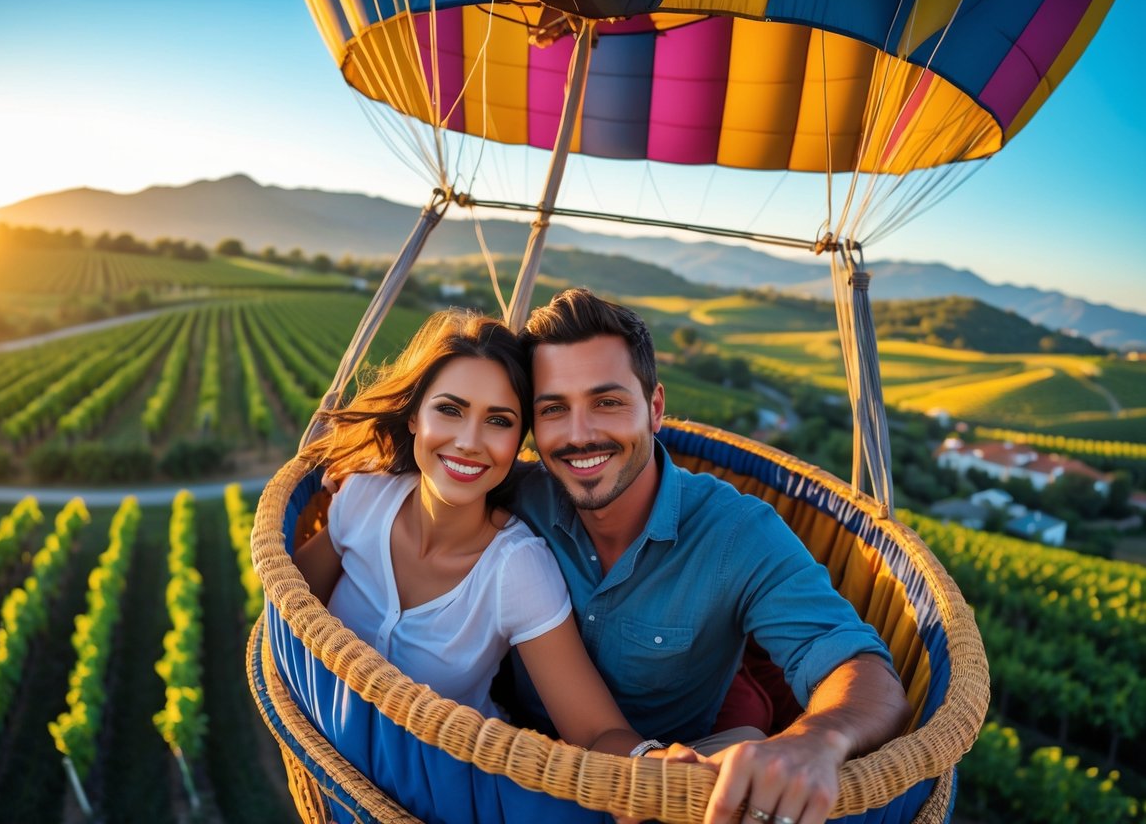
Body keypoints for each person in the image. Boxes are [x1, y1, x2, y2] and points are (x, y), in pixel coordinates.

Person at [512, 288, 913, 824]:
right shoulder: (515, 500)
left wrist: (815, 740)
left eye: (607, 402)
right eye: (554, 409)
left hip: (671, 788)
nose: (580, 434)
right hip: (515, 761)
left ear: (655, 408)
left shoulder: (737, 534)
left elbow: (862, 669)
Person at [292, 309, 649, 758]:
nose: (469, 441)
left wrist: (652, 766)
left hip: (441, 790)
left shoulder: (516, 569)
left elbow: (598, 733)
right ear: (414, 417)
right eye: (450, 410)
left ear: (521, 439)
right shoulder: (364, 499)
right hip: (327, 750)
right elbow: (289, 606)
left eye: (498, 420)